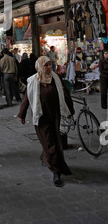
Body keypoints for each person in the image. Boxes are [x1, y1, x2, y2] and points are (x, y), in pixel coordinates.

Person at [17, 56, 75, 187]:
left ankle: (51, 160)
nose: (49, 67)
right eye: (46, 65)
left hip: (55, 115)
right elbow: (27, 98)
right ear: (39, 67)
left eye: (50, 64)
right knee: (49, 142)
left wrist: (70, 110)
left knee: (56, 140)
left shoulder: (56, 78)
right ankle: (56, 171)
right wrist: (22, 114)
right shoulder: (33, 81)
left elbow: (65, 94)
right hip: (41, 117)